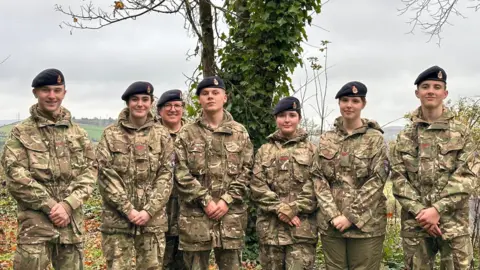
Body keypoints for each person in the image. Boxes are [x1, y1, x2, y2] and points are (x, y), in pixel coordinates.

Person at [1, 68, 96, 269]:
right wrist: (52, 206)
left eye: (57, 90)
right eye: (45, 90)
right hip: (35, 227)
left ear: (64, 93)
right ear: (35, 93)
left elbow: (90, 172)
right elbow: (15, 176)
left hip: (71, 226)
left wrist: (68, 205)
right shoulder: (20, 133)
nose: (52, 96)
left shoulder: (78, 134)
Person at [391, 66, 477, 269]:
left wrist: (437, 210)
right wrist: (423, 213)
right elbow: (398, 179)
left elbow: (467, 175)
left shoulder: (461, 133)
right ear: (417, 93)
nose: (431, 91)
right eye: (425, 86)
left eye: (437, 87)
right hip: (416, 224)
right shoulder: (405, 136)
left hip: (453, 223)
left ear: (445, 93)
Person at [174, 76, 254, 270]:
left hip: (230, 217)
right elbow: (179, 172)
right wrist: (205, 200)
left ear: (224, 97)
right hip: (195, 217)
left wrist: (227, 200)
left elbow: (248, 170)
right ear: (199, 99)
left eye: (215, 93)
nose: (210, 97)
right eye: (205, 93)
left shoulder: (239, 132)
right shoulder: (187, 133)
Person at [96, 81, 174, 270]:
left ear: (151, 103)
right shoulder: (110, 134)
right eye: (135, 99)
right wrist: (128, 209)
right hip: (117, 221)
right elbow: (106, 176)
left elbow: (166, 175)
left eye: (145, 100)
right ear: (128, 103)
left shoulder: (162, 135)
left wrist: (148, 211)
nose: (140, 104)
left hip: (152, 221)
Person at [312, 81, 389, 269]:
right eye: (345, 100)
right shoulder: (326, 139)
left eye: (355, 101)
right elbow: (318, 177)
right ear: (339, 103)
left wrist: (350, 216)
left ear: (363, 104)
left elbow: (377, 180)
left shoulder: (375, 139)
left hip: (366, 226)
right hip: (332, 225)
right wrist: (333, 215)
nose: (349, 105)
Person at [251, 96, 318, 269]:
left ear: (299, 118)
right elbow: (257, 186)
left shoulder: (312, 151)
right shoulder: (264, 151)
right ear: (276, 119)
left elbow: (316, 185)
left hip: (301, 229)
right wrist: (281, 209)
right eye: (282, 115)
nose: (287, 120)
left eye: (291, 115)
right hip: (270, 230)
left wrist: (293, 209)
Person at [157, 89, 187, 269]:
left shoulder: (193, 133)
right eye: (168, 105)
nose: (173, 109)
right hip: (159, 211)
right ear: (159, 110)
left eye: (177, 105)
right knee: (159, 262)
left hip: (188, 211)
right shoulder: (150, 133)